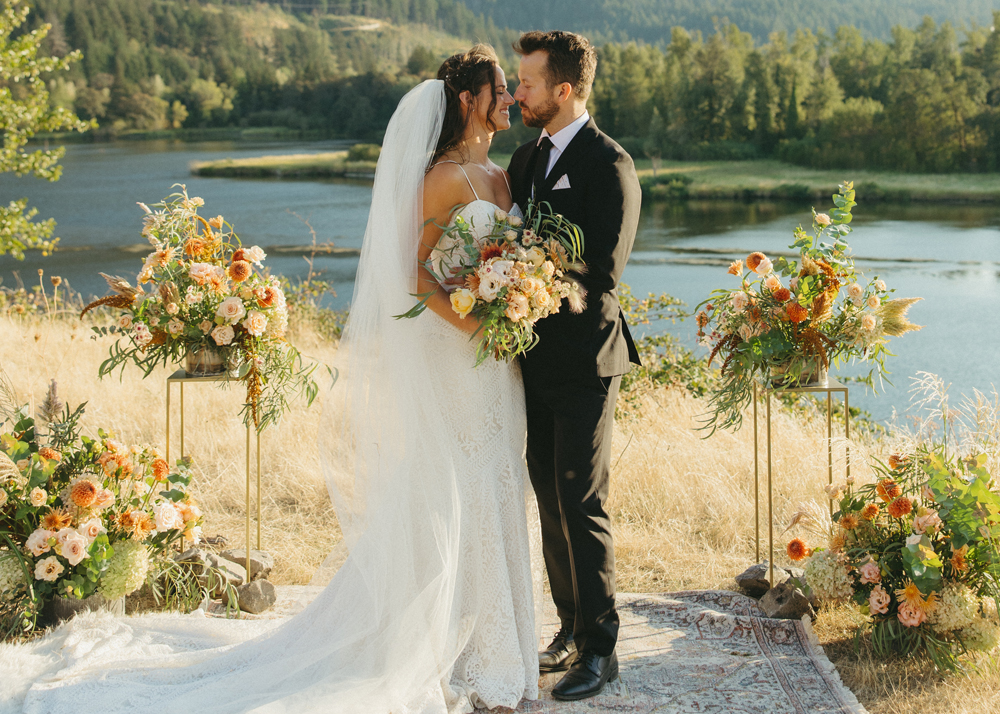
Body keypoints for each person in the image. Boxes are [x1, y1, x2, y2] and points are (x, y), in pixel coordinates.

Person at [0, 46, 542, 714]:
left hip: (497, 363)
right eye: (499, 89)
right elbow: (415, 273)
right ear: (468, 100)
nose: (510, 100)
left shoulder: (499, 174)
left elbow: (510, 259)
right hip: (455, 354)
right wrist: (470, 324)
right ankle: (445, 650)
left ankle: (500, 646)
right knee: (450, 492)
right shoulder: (438, 179)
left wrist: (517, 300)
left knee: (497, 482)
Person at [507, 30, 642, 702]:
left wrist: (531, 269)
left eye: (526, 82)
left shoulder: (608, 163)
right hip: (529, 362)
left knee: (582, 502)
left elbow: (605, 270)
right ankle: (568, 628)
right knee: (549, 501)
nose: (516, 92)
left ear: (562, 90)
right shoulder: (525, 158)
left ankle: (603, 648)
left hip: (587, 361)